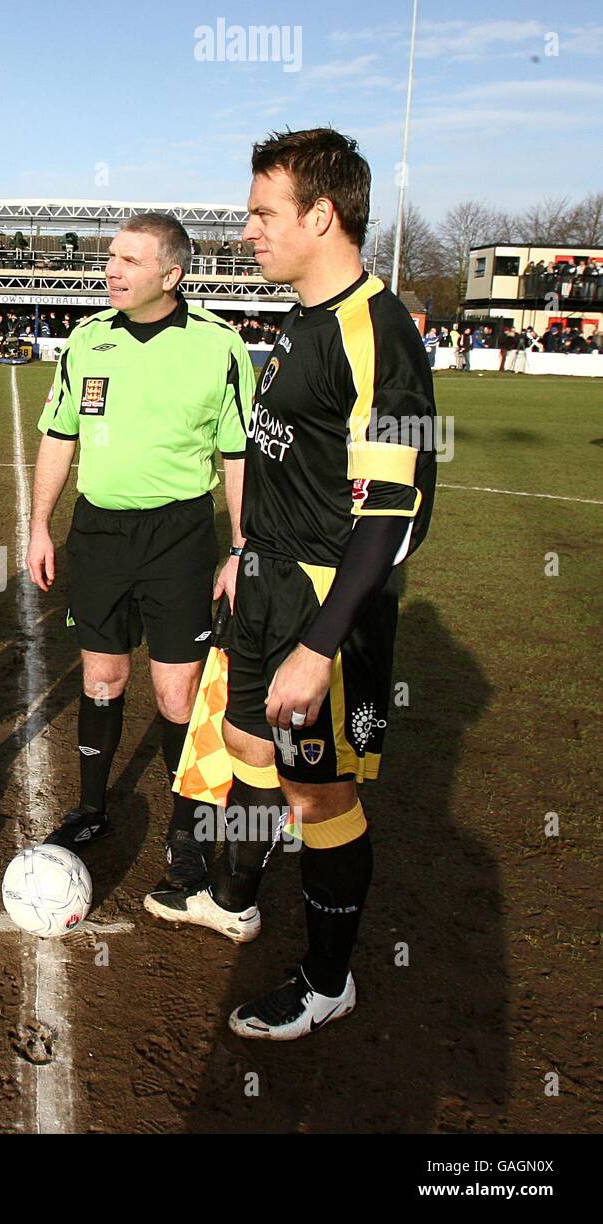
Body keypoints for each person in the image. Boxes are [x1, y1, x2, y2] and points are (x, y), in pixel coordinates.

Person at [158, 128, 436, 1041]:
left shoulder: (376, 332)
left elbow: (392, 513)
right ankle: (234, 899)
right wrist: (244, 550)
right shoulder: (302, 322)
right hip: (265, 582)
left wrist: (320, 646)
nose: (246, 230)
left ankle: (326, 981)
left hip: (325, 605)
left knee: (319, 793)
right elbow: (288, 461)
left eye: (261, 212)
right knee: (245, 740)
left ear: (322, 215)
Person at [27, 212, 252, 905]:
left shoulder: (220, 346)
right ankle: (92, 809)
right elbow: (59, 437)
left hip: (180, 537)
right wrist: (40, 525)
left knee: (177, 692)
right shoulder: (87, 341)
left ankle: (186, 836)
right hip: (98, 535)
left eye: (129, 260)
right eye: (111, 258)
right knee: (102, 676)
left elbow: (239, 454)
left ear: (172, 274)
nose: (111, 270)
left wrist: (242, 545)